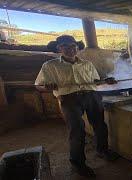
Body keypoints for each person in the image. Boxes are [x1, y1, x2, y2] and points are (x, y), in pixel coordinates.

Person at [35, 35, 118, 178]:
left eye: (73, 46)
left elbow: (95, 82)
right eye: (65, 46)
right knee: (77, 131)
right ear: (59, 48)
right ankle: (78, 163)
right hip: (69, 99)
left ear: (77, 47)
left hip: (91, 95)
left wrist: (106, 81)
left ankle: (102, 150)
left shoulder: (87, 64)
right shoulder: (50, 65)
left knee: (99, 125)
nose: (70, 49)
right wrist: (46, 87)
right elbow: (38, 85)